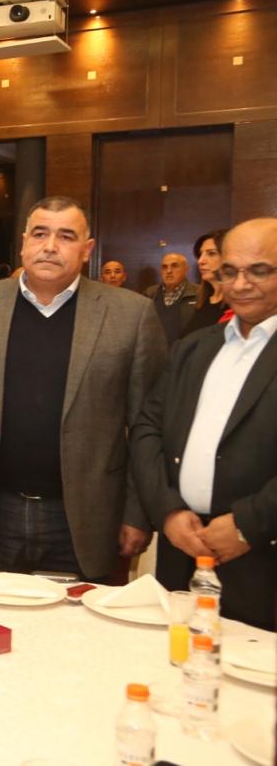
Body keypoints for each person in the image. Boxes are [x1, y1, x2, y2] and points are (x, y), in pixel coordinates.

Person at [0, 197, 166, 581]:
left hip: (86, 517)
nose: (50, 246)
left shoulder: (130, 315)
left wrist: (137, 512)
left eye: (66, 236)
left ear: (87, 249)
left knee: (80, 619)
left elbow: (147, 424)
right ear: (23, 243)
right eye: (40, 234)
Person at [132, 218, 277, 631]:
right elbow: (147, 429)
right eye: (230, 271)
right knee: (174, 658)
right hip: (182, 548)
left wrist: (248, 524)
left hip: (262, 558)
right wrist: (168, 510)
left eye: (259, 270)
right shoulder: (194, 347)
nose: (241, 284)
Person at [180, 229, 230, 338]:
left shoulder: (237, 305)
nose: (200, 261)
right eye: (200, 254)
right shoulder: (202, 300)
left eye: (211, 253)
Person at [145, 252, 199, 346]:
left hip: (186, 351)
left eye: (174, 266)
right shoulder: (149, 294)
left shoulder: (199, 293)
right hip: (155, 351)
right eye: (164, 267)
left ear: (186, 269)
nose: (169, 271)